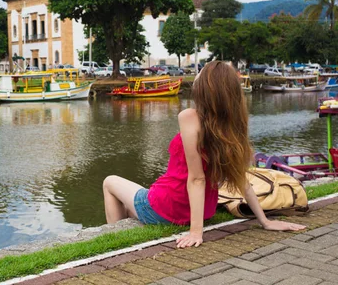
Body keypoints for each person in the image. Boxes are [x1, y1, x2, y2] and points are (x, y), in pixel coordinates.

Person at [103, 61, 305, 248]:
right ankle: (129, 224)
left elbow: (197, 178)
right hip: (204, 210)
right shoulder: (232, 127)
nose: (197, 76)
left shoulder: (189, 117)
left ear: (205, 90)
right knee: (130, 207)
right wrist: (265, 221)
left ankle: (116, 237)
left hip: (169, 205)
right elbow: (241, 179)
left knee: (110, 181)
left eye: (200, 74)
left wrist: (196, 233)